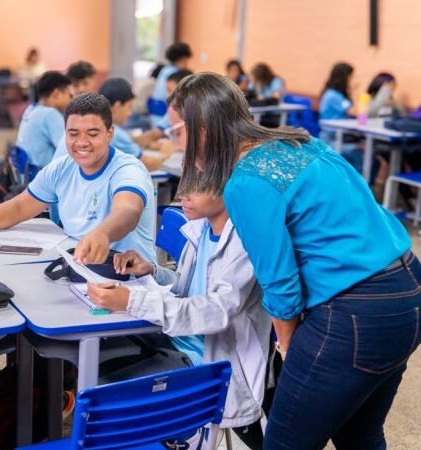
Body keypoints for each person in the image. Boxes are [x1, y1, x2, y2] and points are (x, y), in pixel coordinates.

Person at [168, 72, 419, 450]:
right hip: (409, 290)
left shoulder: (245, 182)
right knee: (360, 434)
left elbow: (280, 284)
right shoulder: (301, 142)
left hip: (355, 310)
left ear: (202, 129)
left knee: (285, 442)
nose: (176, 143)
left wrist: (288, 349)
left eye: (177, 131)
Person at [87, 190, 271, 450]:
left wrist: (132, 301)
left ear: (229, 187)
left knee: (106, 392)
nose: (182, 194)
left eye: (197, 185)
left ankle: (185, 434)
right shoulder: (200, 231)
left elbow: (214, 312)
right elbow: (188, 291)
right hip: (172, 340)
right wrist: (153, 272)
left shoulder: (244, 242)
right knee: (98, 356)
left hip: (205, 363)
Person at [0, 92, 157, 264]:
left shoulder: (127, 169)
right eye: (73, 134)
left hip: (130, 279)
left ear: (109, 134)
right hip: (80, 267)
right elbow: (18, 208)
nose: (81, 142)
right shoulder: (62, 168)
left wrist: (102, 233)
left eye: (92, 134)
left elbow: (128, 210)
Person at [15, 71, 73, 167]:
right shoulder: (50, 114)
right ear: (56, 94)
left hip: (24, 174)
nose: (71, 98)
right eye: (69, 94)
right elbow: (68, 150)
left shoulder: (31, 109)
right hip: (41, 176)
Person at [150, 42, 193, 122]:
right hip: (164, 113)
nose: (187, 64)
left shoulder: (165, 69)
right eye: (186, 60)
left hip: (154, 110)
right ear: (182, 59)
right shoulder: (175, 73)